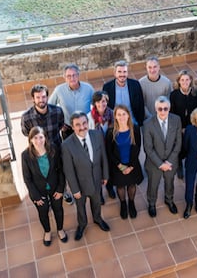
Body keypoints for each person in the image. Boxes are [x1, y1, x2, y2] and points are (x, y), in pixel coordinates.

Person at [21, 84, 74, 205]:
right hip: (38, 151)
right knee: (42, 173)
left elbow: (61, 125)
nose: (41, 100)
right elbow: (26, 133)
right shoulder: (26, 117)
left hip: (56, 148)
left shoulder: (57, 111)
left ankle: (63, 190)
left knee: (59, 170)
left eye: (44, 97)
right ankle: (46, 195)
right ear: (33, 99)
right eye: (38, 97)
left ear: (47, 97)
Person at [61, 112, 110, 240]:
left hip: (96, 179)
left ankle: (98, 219)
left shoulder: (97, 135)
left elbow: (104, 156)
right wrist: (74, 189)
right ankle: (82, 224)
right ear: (72, 127)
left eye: (84, 123)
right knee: (80, 207)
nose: (82, 127)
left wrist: (105, 175)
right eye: (78, 125)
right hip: (80, 185)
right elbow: (69, 170)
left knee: (97, 202)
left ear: (88, 123)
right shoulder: (67, 145)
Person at [21, 126, 67, 246]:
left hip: (55, 187)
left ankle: (60, 229)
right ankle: (47, 232)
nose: (38, 141)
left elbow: (60, 170)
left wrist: (61, 189)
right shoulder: (25, 155)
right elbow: (27, 178)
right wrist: (35, 196)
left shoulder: (53, 149)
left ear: (45, 138)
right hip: (38, 191)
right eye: (35, 138)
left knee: (58, 209)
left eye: (41, 137)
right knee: (43, 212)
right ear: (30, 140)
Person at [143, 96, 182, 217]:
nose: (163, 111)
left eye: (165, 108)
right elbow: (148, 148)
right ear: (155, 109)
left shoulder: (176, 120)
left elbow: (178, 142)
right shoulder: (148, 124)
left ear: (169, 108)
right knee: (153, 184)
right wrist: (160, 164)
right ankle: (151, 204)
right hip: (155, 163)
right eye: (160, 109)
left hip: (171, 162)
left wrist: (169, 161)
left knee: (170, 182)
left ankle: (169, 200)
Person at [105, 105, 143, 219]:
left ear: (128, 115)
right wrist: (120, 166)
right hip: (118, 165)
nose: (121, 117)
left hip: (132, 163)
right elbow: (109, 152)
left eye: (124, 114)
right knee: (120, 186)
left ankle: (131, 203)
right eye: (119, 114)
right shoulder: (111, 132)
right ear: (115, 116)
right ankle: (123, 204)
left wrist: (131, 166)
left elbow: (137, 147)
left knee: (132, 185)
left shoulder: (135, 129)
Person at [169, 70, 197, 179]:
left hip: (192, 126)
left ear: (191, 80)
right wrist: (180, 128)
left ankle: (190, 165)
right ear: (179, 81)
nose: (185, 82)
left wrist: (193, 126)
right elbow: (172, 113)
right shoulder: (174, 95)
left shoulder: (195, 93)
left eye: (187, 79)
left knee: (191, 147)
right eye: (182, 80)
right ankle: (179, 166)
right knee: (179, 147)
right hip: (179, 127)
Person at [49, 63, 94, 139]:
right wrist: (59, 123)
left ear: (78, 75)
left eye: (74, 75)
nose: (72, 78)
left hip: (85, 127)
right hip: (68, 129)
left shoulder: (88, 88)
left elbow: (97, 105)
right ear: (64, 78)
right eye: (68, 76)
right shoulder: (59, 90)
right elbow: (49, 107)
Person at [87, 91, 115, 202]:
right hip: (96, 149)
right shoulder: (89, 117)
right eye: (98, 102)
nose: (101, 104)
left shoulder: (112, 114)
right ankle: (99, 193)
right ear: (94, 103)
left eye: (103, 101)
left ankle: (110, 187)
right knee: (98, 172)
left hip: (110, 147)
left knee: (110, 168)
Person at [102, 60, 145, 126]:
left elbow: (141, 106)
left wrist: (140, 124)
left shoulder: (135, 85)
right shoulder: (107, 87)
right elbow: (105, 108)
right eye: (119, 72)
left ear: (127, 73)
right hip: (115, 124)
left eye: (124, 72)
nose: (122, 74)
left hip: (132, 122)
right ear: (115, 73)